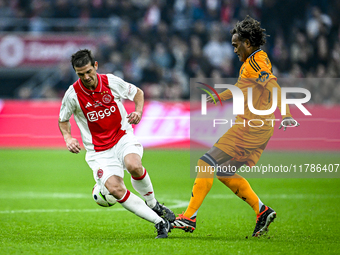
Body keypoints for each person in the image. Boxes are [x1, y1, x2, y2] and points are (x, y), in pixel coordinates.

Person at [172, 16, 299, 237]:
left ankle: (189, 217)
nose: (233, 50)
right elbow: (242, 87)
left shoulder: (256, 63)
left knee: (206, 162)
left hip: (251, 127)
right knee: (223, 171)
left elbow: (275, 87)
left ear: (247, 43)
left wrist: (286, 113)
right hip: (260, 128)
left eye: (235, 45)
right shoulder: (255, 61)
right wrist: (219, 96)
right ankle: (262, 211)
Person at [58, 49, 175, 239]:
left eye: (89, 71)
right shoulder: (72, 94)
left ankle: (153, 204)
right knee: (115, 189)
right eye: (81, 74)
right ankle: (160, 222)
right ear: (76, 73)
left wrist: (138, 111)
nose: (86, 77)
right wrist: (68, 138)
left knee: (134, 166)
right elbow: (63, 120)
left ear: (95, 66)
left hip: (122, 137)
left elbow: (138, 93)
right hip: (98, 152)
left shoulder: (111, 81)